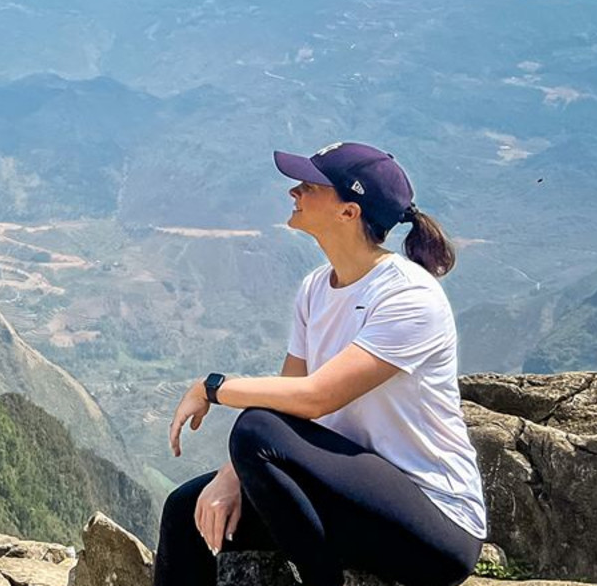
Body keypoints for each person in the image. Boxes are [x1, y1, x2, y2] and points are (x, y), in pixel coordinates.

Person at [155, 142, 486, 586]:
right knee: (187, 511)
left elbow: (316, 397)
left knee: (255, 429)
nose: (294, 192)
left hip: (434, 524)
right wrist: (230, 478)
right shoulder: (316, 288)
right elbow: (288, 397)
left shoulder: (409, 296)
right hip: (349, 498)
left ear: (348, 212)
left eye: (310, 186)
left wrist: (210, 387)